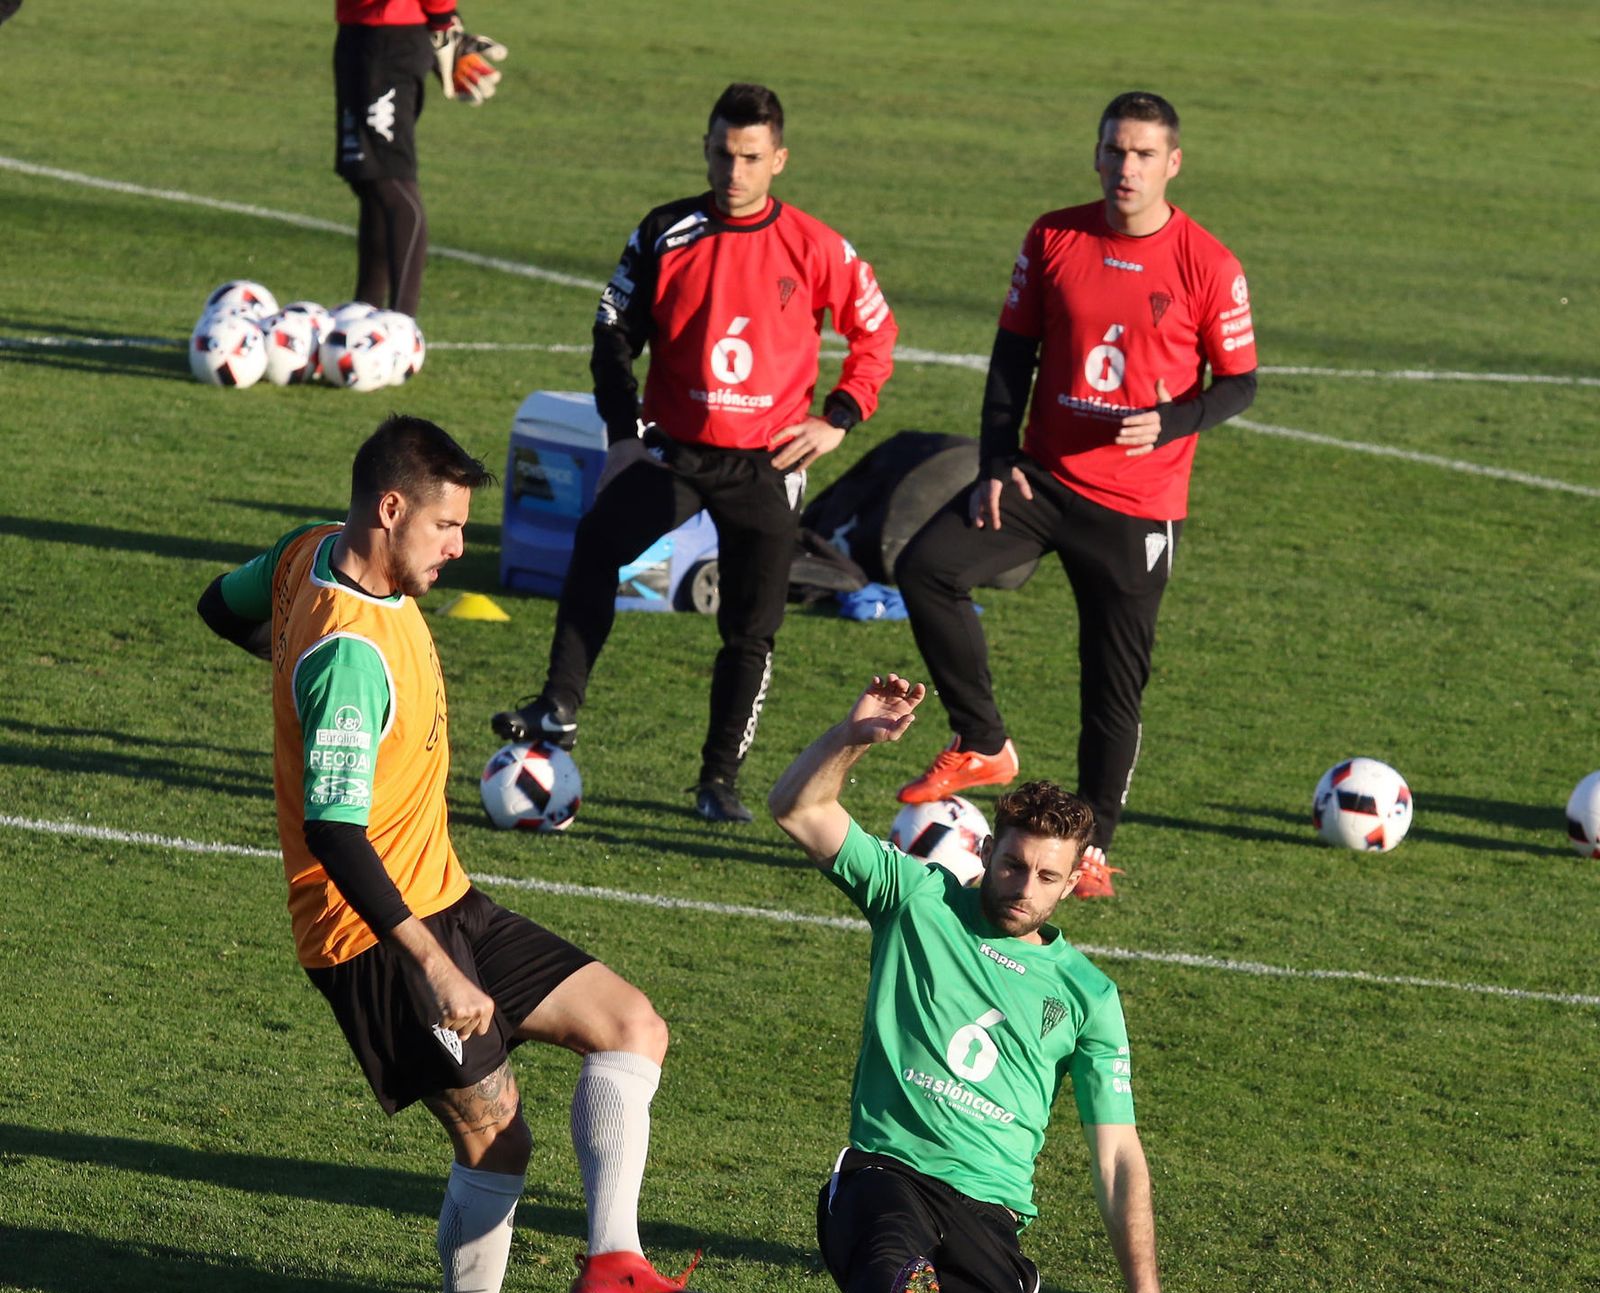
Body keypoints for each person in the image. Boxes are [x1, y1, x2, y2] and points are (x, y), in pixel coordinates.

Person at [196, 415, 743, 1293]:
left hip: (445, 893)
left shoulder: (302, 552)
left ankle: (613, 1263)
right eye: (448, 526)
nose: (459, 546)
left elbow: (216, 606)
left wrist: (282, 671)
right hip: (377, 935)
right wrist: (434, 969)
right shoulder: (349, 656)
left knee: (631, 1025)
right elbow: (335, 830)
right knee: (497, 1140)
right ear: (391, 509)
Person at [682, 674, 1196, 1293]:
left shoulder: (1089, 996)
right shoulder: (917, 899)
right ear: (989, 848)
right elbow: (798, 808)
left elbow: (1118, 1155)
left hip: (989, 1213)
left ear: (1075, 880)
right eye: (1014, 863)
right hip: (885, 1177)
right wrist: (850, 739)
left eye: (1047, 876)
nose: (1023, 886)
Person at [491, 82, 898, 825]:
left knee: (750, 628)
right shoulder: (665, 231)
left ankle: (718, 782)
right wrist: (621, 435)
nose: (732, 172)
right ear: (705, 149)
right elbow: (612, 332)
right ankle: (558, 707)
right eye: (720, 153)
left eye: (749, 157)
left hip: (767, 468)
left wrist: (839, 416)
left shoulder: (815, 245)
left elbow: (875, 330)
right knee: (596, 544)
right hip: (673, 454)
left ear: (778, 159)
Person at [894, 91, 1258, 897]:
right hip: (1042, 480)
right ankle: (983, 739)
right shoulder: (1054, 235)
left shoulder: (1209, 263)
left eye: (1142, 154)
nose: (1126, 167)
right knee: (927, 567)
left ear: (1173, 163)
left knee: (1111, 686)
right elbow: (1011, 354)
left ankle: (1088, 853)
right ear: (1097, 155)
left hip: (1138, 508)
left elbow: (1239, 384)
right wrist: (997, 458)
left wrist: (1170, 420)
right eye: (1114, 151)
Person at [333, 3, 506, 317]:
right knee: (368, 179)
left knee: (390, 183)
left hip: (389, 37)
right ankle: (362, 316)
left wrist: (442, 20)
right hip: (357, 30)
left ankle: (402, 325)